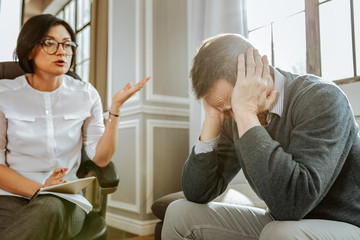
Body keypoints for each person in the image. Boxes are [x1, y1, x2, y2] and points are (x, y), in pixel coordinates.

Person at [162, 33, 360, 239]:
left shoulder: (322, 97)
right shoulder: (233, 116)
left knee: (280, 232)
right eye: (223, 108)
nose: (232, 116)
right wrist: (212, 118)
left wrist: (246, 113)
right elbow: (197, 192)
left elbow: (291, 204)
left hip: (345, 224)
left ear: (258, 73)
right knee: (179, 214)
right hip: (281, 222)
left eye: (233, 103)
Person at [0, 14, 149, 240]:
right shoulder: (4, 95)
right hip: (11, 195)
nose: (62, 51)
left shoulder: (85, 93)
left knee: (49, 208)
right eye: (50, 43)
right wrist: (40, 189)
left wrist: (115, 109)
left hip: (63, 199)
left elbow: (100, 159)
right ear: (29, 50)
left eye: (67, 44)